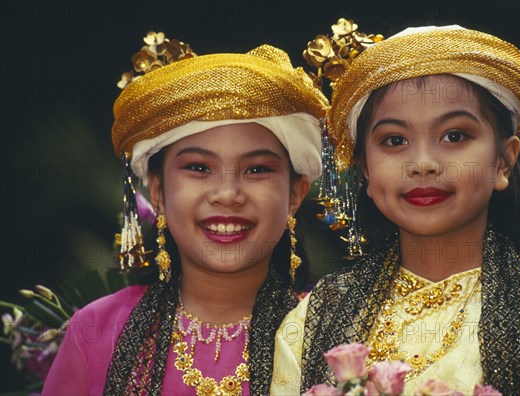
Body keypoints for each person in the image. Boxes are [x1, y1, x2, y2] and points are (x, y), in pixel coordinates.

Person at [271, 25, 520, 395]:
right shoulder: (314, 319)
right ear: (365, 169)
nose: (423, 163)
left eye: (455, 136)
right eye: (395, 140)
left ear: (504, 162)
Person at [42, 32, 328, 395]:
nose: (228, 194)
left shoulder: (336, 331)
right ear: (158, 190)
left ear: (295, 194)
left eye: (256, 170)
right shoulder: (97, 329)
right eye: (199, 168)